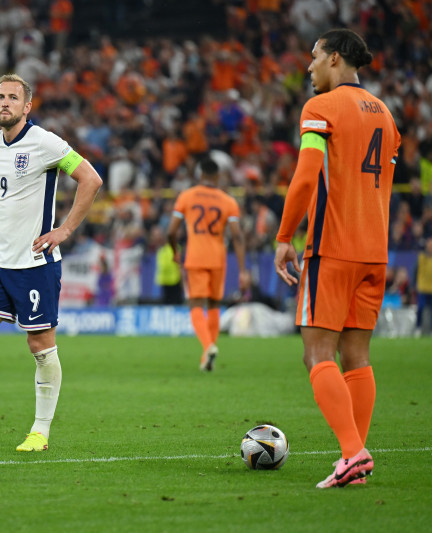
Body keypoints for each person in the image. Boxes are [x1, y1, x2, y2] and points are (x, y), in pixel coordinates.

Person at [0, 73, 102, 453]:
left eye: (13, 98)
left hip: (36, 263)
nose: (5, 103)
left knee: (41, 347)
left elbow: (90, 179)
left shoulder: (45, 142)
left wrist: (63, 231)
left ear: (27, 106)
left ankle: (40, 432)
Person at [273, 29, 401, 489]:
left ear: (333, 58)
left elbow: (307, 176)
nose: (307, 67)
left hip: (333, 248)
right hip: (376, 253)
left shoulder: (320, 108)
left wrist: (285, 235)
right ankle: (355, 461)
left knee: (317, 354)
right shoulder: (386, 116)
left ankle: (352, 452)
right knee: (357, 357)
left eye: (313, 57)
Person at [166, 158, 248, 371]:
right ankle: (207, 354)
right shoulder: (228, 201)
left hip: (195, 257)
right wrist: (242, 270)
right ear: (218, 177)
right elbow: (238, 237)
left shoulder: (187, 196)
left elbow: (171, 231)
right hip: (218, 259)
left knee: (195, 305)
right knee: (213, 306)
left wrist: (175, 251)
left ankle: (208, 346)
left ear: (201, 175)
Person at [416, 238, 432, 336]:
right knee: (420, 309)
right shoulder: (421, 257)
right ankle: (418, 328)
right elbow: (415, 271)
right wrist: (414, 284)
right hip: (422, 288)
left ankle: (430, 331)